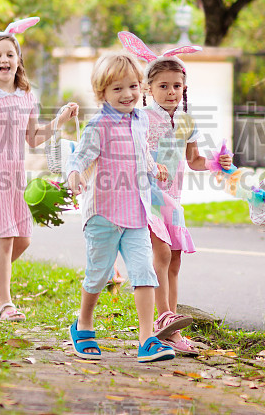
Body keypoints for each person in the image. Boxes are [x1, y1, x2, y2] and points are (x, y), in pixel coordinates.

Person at [0, 18, 78, 320]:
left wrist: (59, 121)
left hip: (14, 176)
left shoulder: (27, 96)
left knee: (23, 238)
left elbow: (33, 138)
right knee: (5, 238)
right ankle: (6, 304)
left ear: (18, 59)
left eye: (10, 54)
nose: (4, 59)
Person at [119, 31, 232, 355]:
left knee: (175, 260)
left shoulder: (186, 122)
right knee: (163, 253)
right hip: (146, 192)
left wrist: (216, 163)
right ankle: (164, 317)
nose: (170, 91)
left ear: (184, 89)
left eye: (176, 86)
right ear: (148, 88)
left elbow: (193, 160)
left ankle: (170, 330)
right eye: (163, 86)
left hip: (173, 198)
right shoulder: (140, 118)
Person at [65, 51, 175, 363]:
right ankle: (83, 324)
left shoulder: (140, 121)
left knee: (144, 272)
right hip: (104, 214)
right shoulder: (98, 125)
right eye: (117, 89)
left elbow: (142, 151)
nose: (127, 94)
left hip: (137, 214)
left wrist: (154, 168)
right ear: (102, 94)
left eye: (132, 87)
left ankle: (146, 339)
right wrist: (73, 174)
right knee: (98, 275)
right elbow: (81, 156)